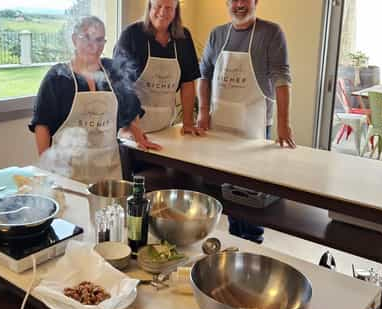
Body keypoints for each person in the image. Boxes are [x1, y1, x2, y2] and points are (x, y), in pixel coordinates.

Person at [197, 0, 295, 243]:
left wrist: (284, 123)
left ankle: (253, 245)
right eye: (234, 0)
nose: (240, 4)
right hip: (221, 129)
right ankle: (233, 243)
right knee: (229, 196)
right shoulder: (217, 34)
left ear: (255, 2)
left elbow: (282, 79)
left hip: (255, 129)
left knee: (251, 199)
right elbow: (204, 74)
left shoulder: (271, 33)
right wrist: (202, 112)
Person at [29, 16, 161, 185]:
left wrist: (138, 136)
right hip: (69, 174)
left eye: (99, 40)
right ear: (74, 39)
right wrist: (46, 169)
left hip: (109, 173)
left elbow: (130, 107)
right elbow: (42, 125)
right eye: (87, 38)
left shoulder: (112, 71)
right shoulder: (58, 77)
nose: (94, 46)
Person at [113, 0, 204, 136]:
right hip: (132, 129)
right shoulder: (131, 35)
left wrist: (188, 123)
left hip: (166, 126)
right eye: (158, 7)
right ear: (149, 6)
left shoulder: (183, 38)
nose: (162, 12)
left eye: (168, 8)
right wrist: (132, 127)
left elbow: (188, 82)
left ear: (176, 10)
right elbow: (120, 85)